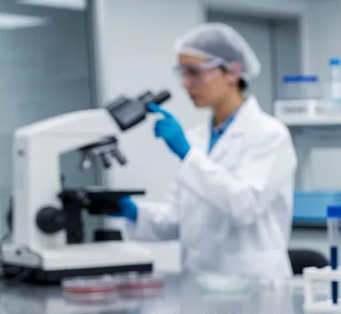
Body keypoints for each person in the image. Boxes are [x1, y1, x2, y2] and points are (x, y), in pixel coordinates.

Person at [115, 23, 297, 287]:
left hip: (254, 283)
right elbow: (182, 218)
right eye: (182, 73)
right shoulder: (197, 138)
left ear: (233, 72)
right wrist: (135, 212)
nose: (186, 84)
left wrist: (187, 155)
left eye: (194, 73)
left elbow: (244, 206)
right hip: (199, 281)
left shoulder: (270, 135)